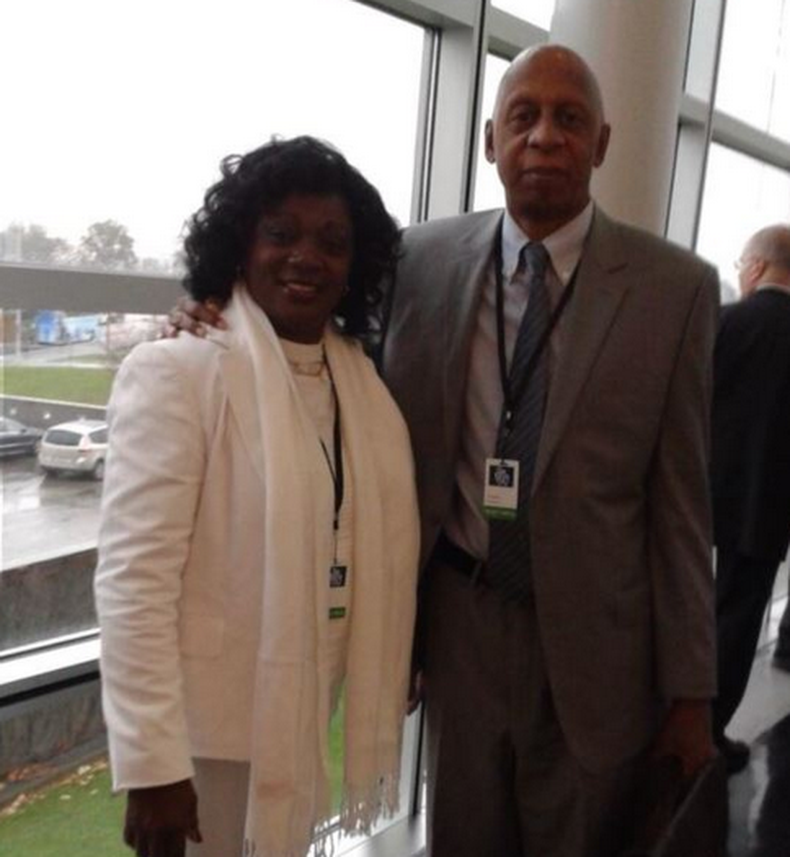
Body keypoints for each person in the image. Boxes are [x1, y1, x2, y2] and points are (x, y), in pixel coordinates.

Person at [171, 45, 719, 857]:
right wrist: (209, 305)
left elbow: (680, 508)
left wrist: (691, 693)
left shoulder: (675, 289)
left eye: (569, 119)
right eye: (523, 116)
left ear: (601, 144)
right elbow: (318, 346)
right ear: (490, 138)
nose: (543, 137)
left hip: (603, 643)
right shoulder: (415, 261)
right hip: (458, 622)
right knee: (461, 836)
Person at [94, 136, 420, 857]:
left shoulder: (361, 386)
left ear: (354, 264)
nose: (306, 255)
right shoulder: (177, 372)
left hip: (300, 719)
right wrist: (152, 766)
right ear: (241, 244)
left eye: (332, 242)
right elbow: (132, 584)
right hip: (201, 742)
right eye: (281, 234)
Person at [711, 223, 790, 774]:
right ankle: (710, 735)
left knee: (683, 618)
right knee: (738, 627)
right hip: (769, 510)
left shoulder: (724, 323)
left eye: (741, 264)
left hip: (699, 502)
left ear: (758, 268)